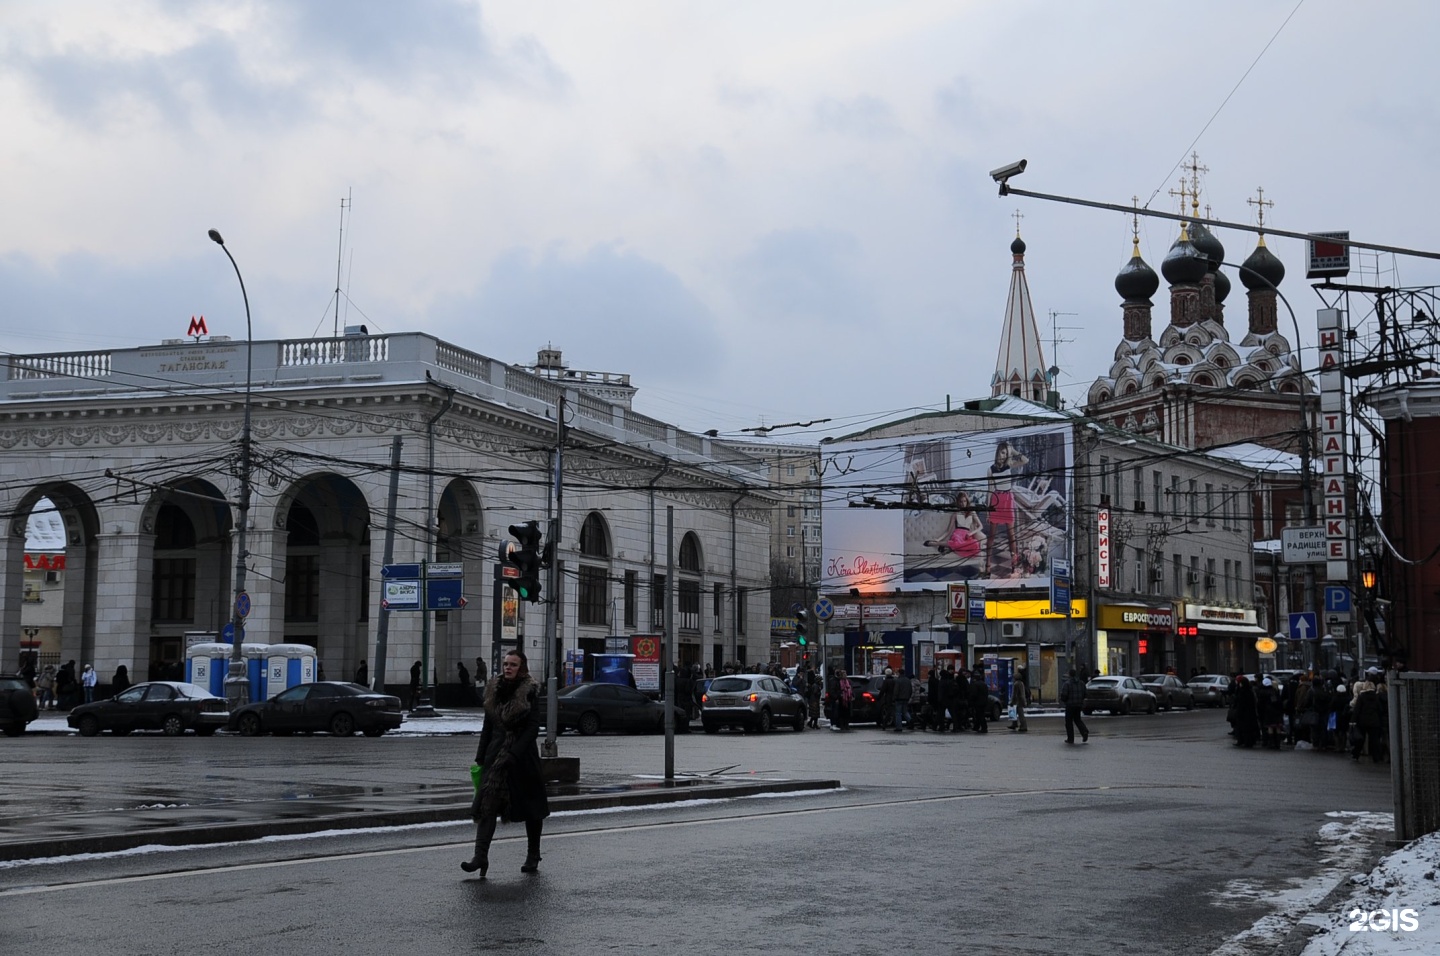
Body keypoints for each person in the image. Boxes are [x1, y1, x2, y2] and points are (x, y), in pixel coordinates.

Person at [462, 649, 549, 878]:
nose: (508, 668)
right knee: (487, 805)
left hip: (522, 759)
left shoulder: (529, 691)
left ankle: (533, 854)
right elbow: (487, 727)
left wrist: (514, 754)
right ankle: (480, 856)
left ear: (522, 667)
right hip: (495, 757)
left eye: (513, 664)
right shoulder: (494, 689)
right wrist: (481, 756)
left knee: (531, 809)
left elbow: (532, 728)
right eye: (506, 664)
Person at [986, 441, 1027, 576]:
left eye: (1006, 453)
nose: (1003, 456)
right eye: (1002, 452)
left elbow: (1025, 460)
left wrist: (1013, 451)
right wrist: (988, 511)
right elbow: (990, 490)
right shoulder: (990, 469)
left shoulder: (1009, 465)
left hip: (1008, 500)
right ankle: (988, 564)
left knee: (1011, 535)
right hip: (996, 500)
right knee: (991, 535)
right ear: (998, 452)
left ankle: (1014, 564)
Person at [1060, 669, 1089, 744]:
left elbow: (1064, 695)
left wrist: (1064, 700)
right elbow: (1085, 694)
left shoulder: (1067, 684)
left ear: (1069, 675)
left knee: (1068, 722)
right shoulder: (1081, 683)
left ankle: (1070, 738)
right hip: (1078, 705)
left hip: (1070, 705)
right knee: (1077, 719)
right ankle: (1084, 731)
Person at [967, 668, 990, 733]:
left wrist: (971, 701)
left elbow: (974, 694)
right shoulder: (983, 684)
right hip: (984, 702)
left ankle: (983, 728)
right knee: (980, 715)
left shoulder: (975, 684)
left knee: (980, 715)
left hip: (978, 702)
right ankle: (977, 727)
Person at [1009, 668, 1029, 732]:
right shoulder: (1021, 683)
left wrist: (1012, 701)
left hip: (1017, 701)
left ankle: (1023, 726)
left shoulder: (1016, 684)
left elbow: (1014, 694)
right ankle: (1014, 724)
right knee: (1016, 713)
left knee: (1020, 714)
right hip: (1020, 701)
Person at [893, 668, 913, 732]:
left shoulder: (898, 680)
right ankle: (910, 720)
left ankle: (899, 727)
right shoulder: (908, 680)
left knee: (898, 713)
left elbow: (896, 690)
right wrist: (908, 697)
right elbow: (910, 690)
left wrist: (894, 698)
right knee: (905, 711)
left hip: (899, 699)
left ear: (899, 673)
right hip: (906, 698)